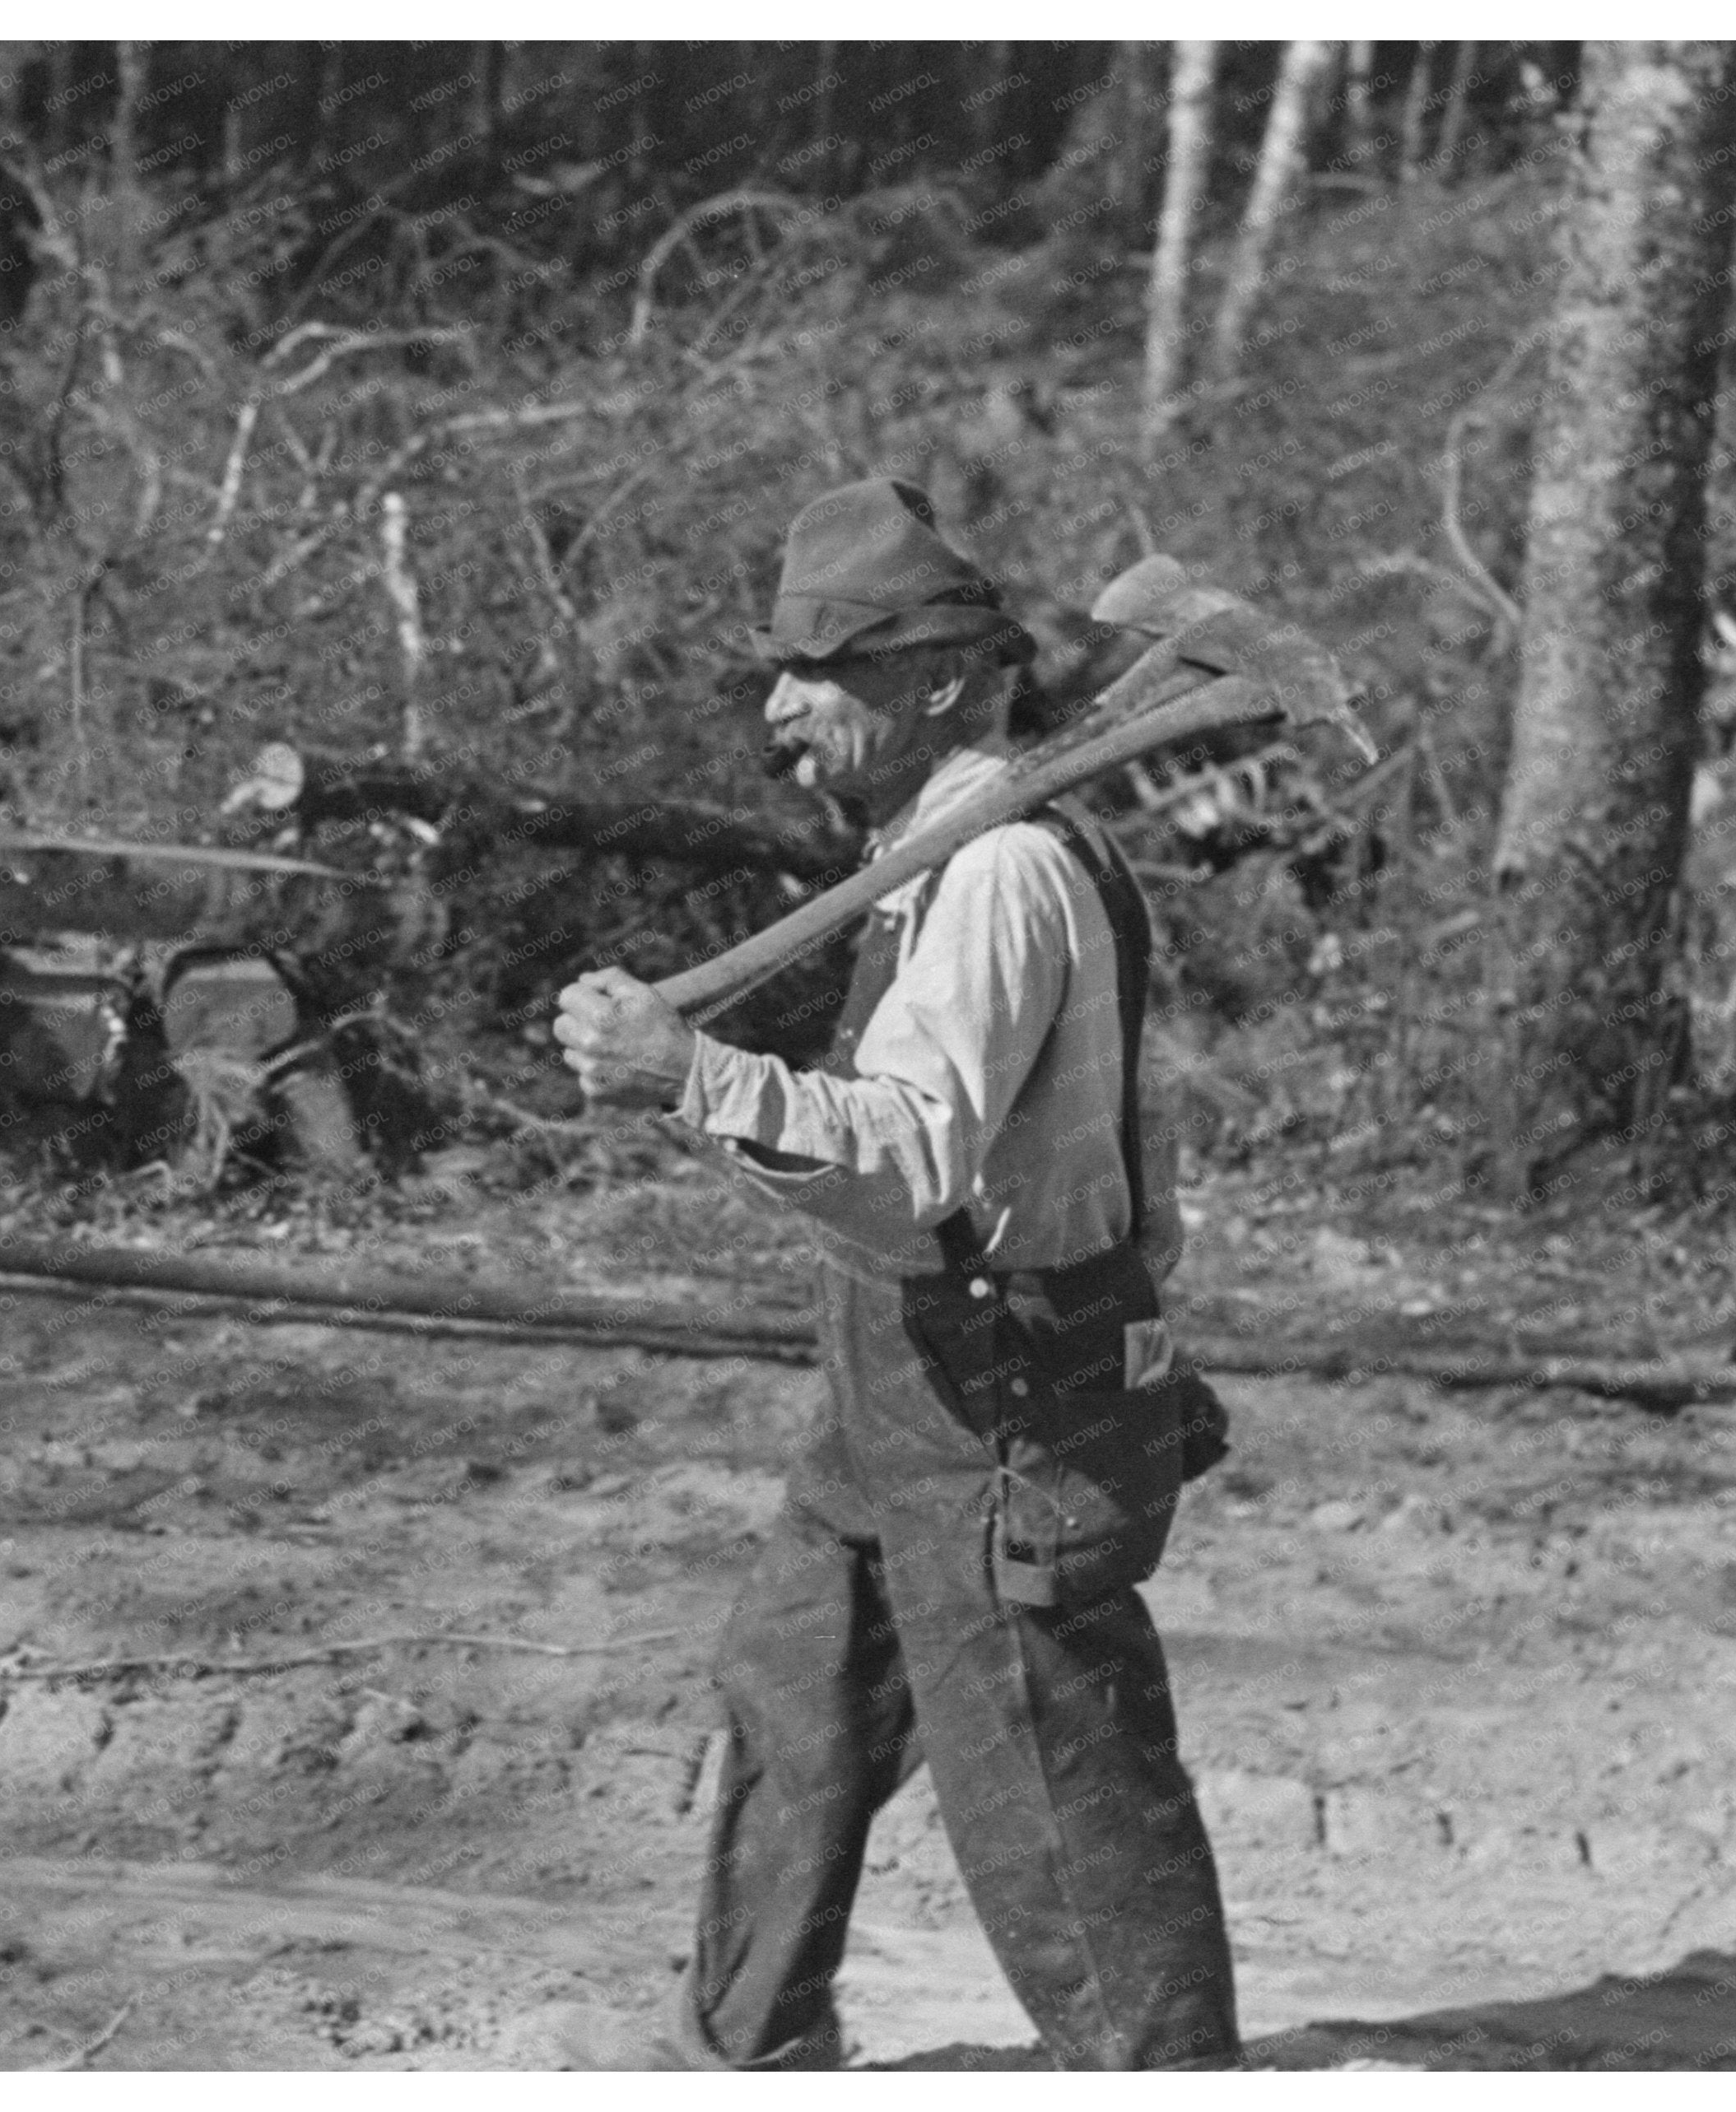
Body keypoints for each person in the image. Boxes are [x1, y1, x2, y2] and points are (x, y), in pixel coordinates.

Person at [544, 478, 1240, 2072]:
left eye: (817, 673)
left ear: (931, 685)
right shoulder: (938, 850)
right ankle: (747, 2047)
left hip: (1003, 1383)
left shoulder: (999, 874)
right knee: (799, 1691)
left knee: (1051, 1779)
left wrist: (692, 1075)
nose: (780, 711)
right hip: (904, 1362)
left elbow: (916, 1153)